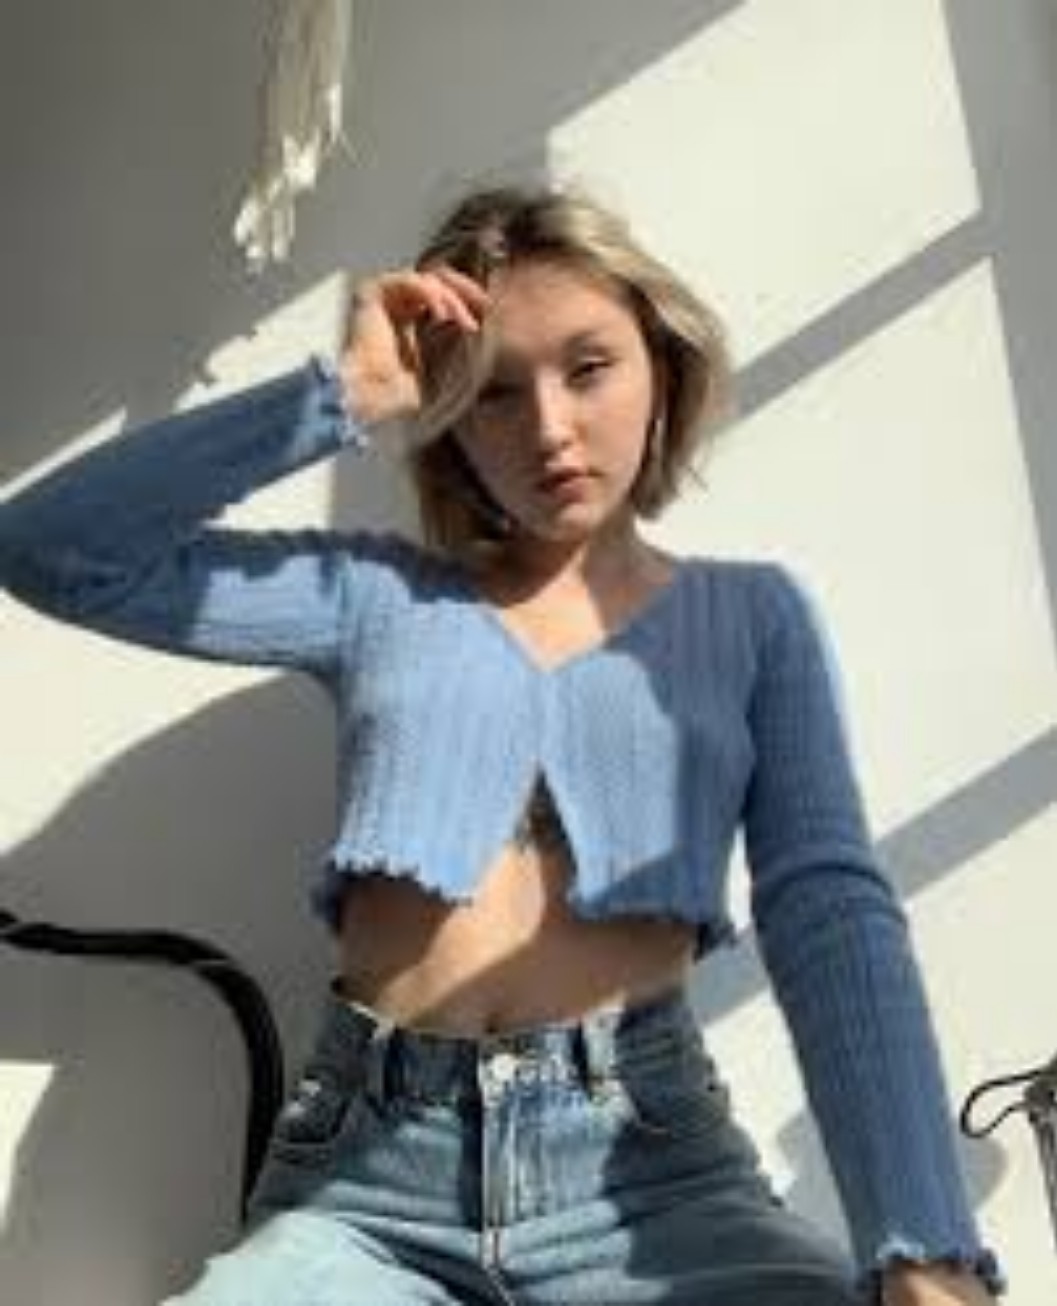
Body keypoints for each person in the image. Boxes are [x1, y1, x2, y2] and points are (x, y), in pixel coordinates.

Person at [0, 184, 1004, 1305]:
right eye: (493, 393)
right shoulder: (375, 596)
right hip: (368, 1198)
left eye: (589, 367)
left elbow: (830, 915)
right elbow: (52, 551)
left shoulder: (755, 618)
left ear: (660, 365)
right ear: (450, 422)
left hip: (654, 1187)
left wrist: (924, 1243)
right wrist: (343, 393)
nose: (549, 429)